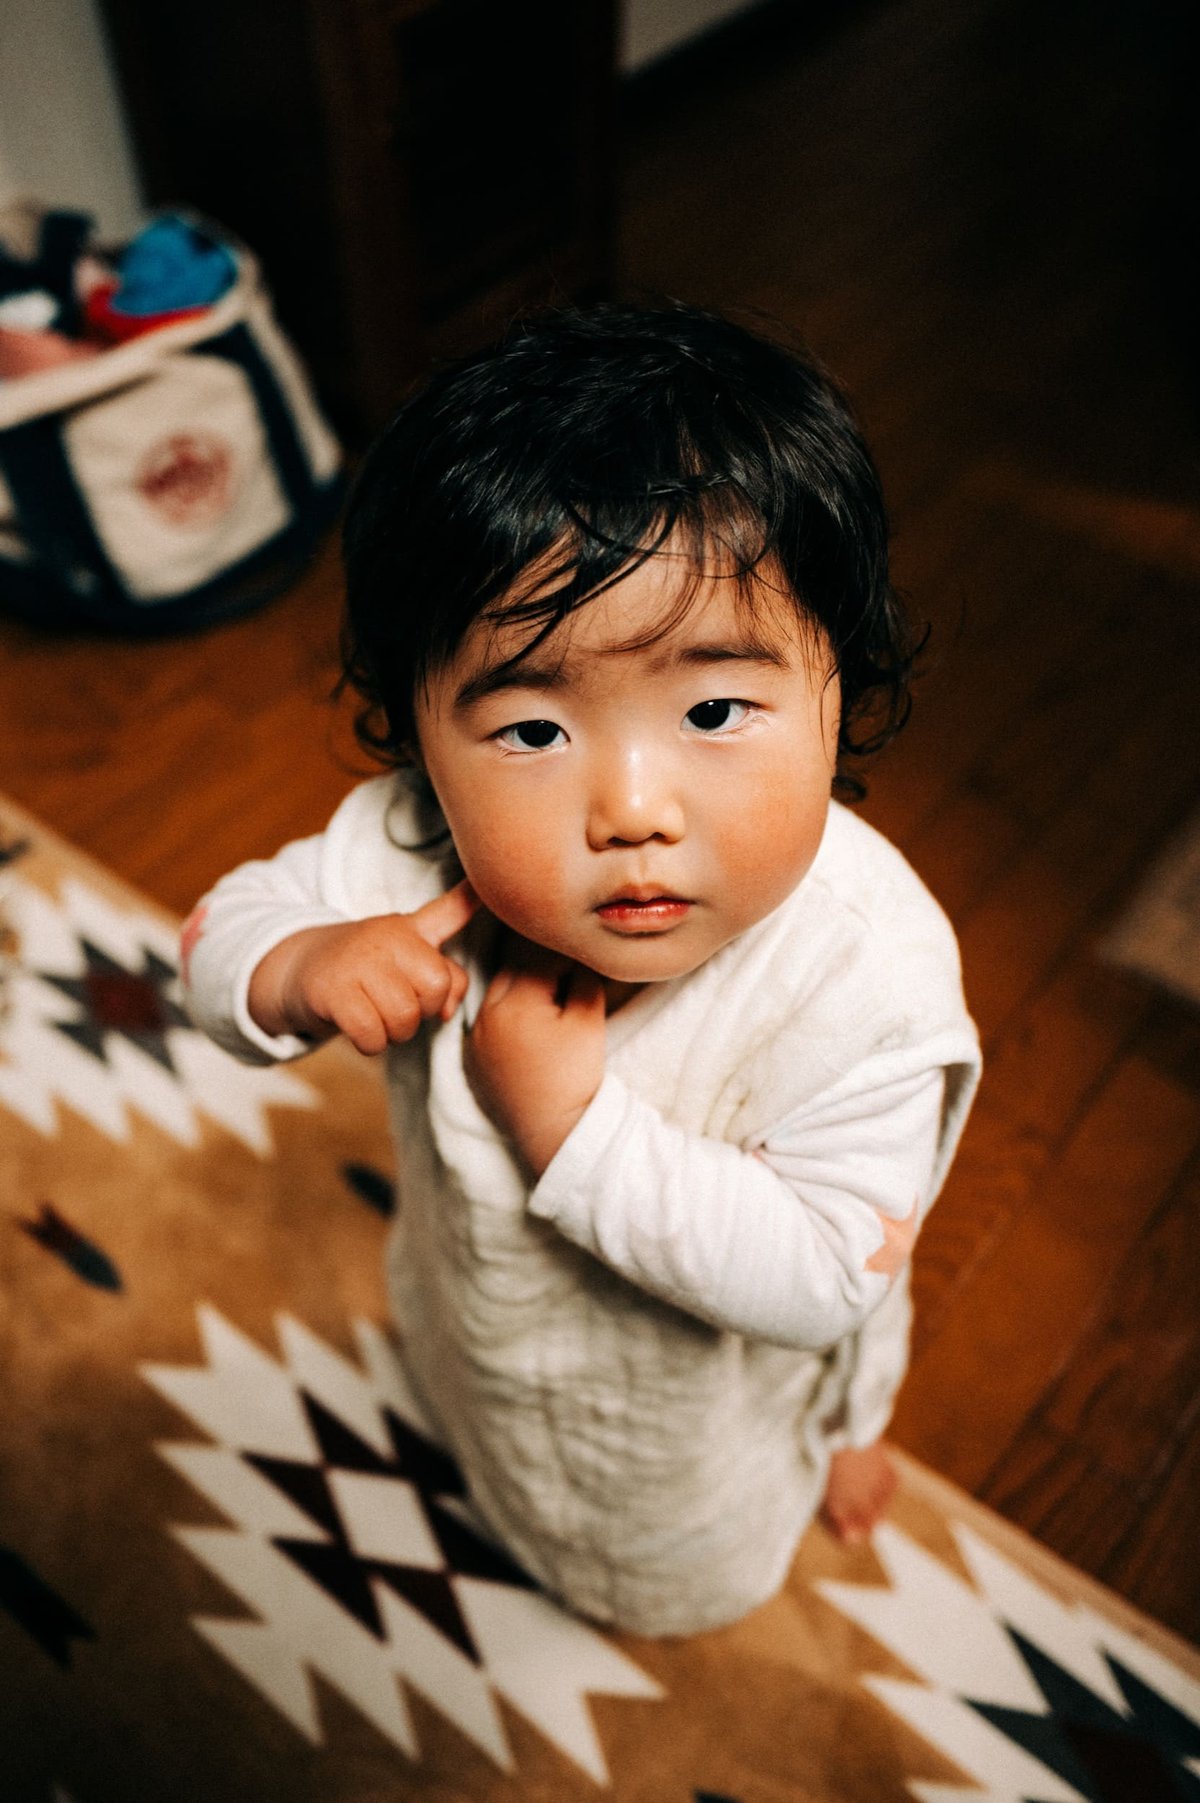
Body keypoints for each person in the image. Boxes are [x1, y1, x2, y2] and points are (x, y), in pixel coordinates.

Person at [182, 301, 980, 1637]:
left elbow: (826, 1275)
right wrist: (299, 962)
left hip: (684, 1446)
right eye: (535, 728)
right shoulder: (410, 844)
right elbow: (216, 934)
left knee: (675, 1577)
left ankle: (842, 1440)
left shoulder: (868, 978)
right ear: (422, 741)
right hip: (472, 1326)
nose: (631, 807)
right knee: (461, 1397)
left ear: (840, 684)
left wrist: (567, 1123)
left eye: (715, 710)